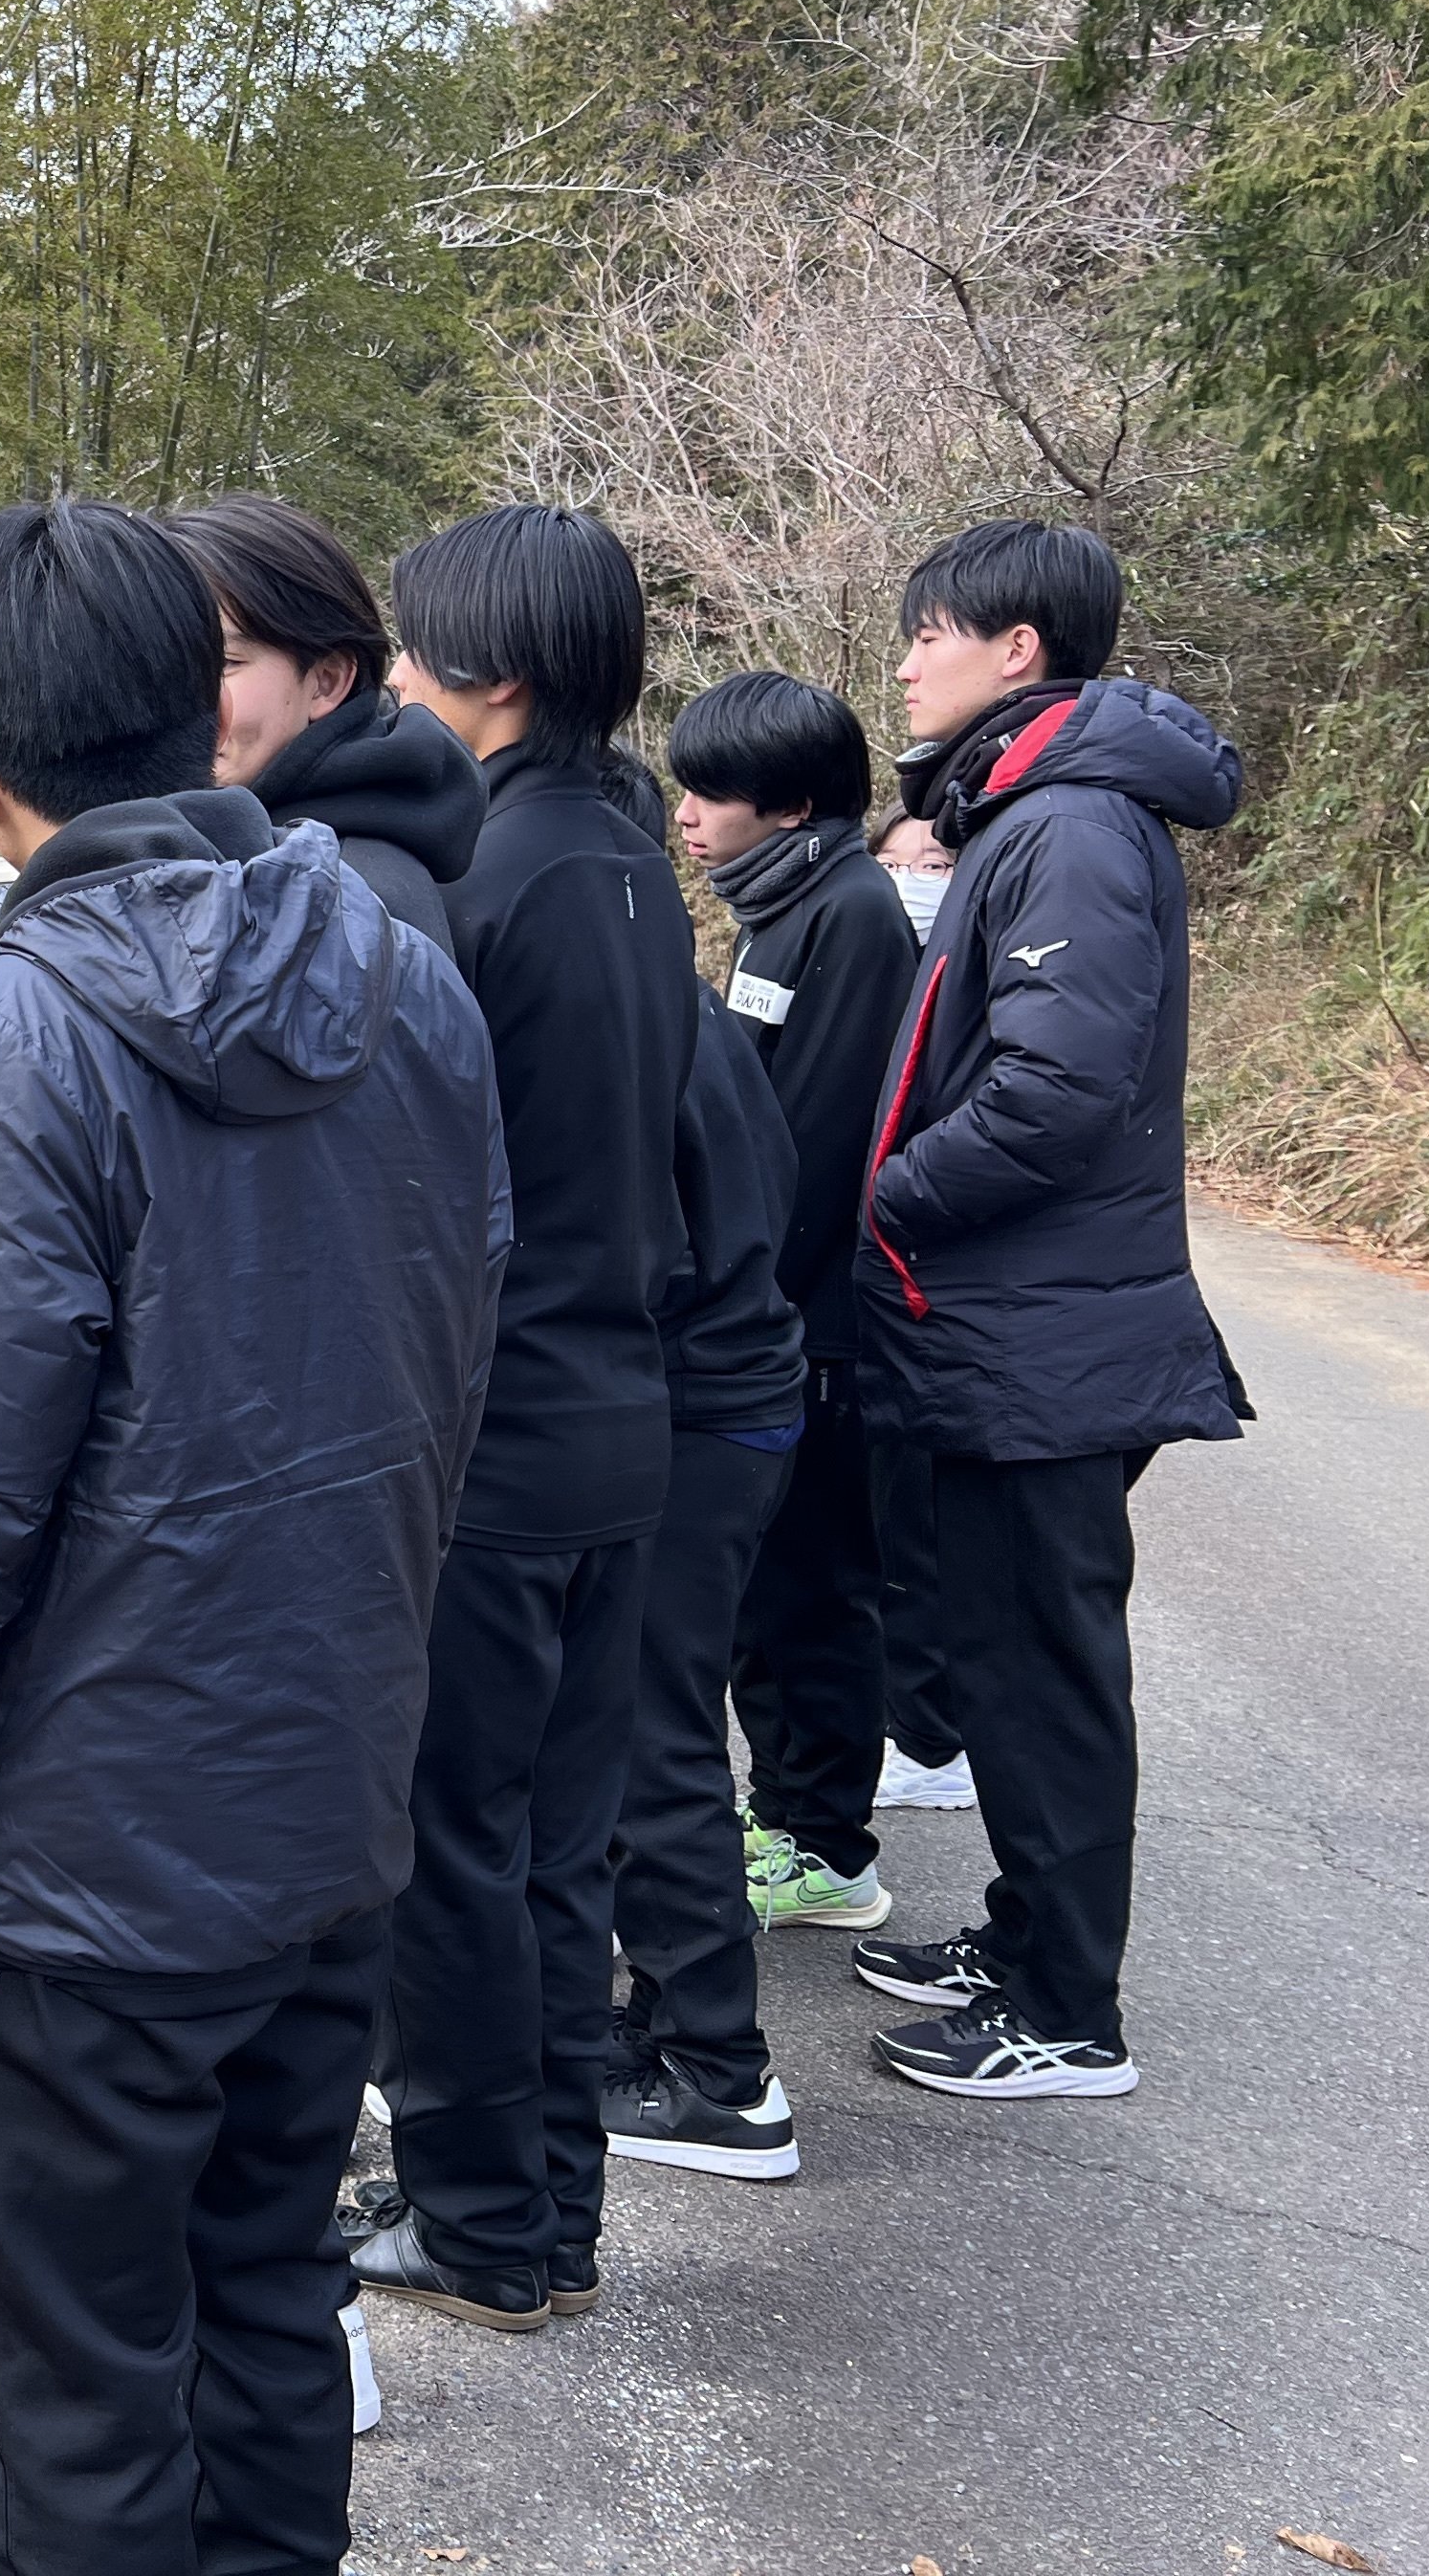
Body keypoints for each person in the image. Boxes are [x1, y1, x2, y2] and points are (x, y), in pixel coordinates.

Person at [0, 497, 506, 2576]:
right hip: (330, 1828)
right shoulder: (413, 988)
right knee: (269, 2308)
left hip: (89, 1901)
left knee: (76, 2408)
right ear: (206, 711)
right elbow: (450, 1377)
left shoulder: (20, 1033)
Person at [349, 507, 695, 2335]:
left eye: (413, 648)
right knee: (558, 1845)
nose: (395, 675)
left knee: (449, 1844)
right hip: (617, 1422)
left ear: (491, 670)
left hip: (493, 1438)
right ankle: (549, 2207)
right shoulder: (632, 862)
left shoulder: (482, 881)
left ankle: (481, 2217)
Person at [846, 519, 1246, 2100]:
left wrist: (882, 1197)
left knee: (1044, 1669)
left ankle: (1065, 2008)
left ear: (1016, 648)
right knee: (1013, 1656)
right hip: (1022, 1323)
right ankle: (1023, 1938)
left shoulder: (1068, 821)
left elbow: (1056, 1091)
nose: (904, 659)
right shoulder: (1030, 807)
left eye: (928, 630)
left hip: (1041, 1331)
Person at [661, 673, 927, 1934]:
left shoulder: (852, 915)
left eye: (713, 790)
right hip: (781, 1321)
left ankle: (825, 1842)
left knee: (816, 1591)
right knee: (771, 1593)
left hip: (820, 1331)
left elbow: (813, 1149)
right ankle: (799, 1825)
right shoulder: (789, 906)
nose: (688, 814)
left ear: (796, 803)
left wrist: (744, 1304)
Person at [586, 752, 813, 2183]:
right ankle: (665, 2018)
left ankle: (723, 2074)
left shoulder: (638, 1032)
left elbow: (648, 1261)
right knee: (648, 1731)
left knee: (654, 1740)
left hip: (699, 1418)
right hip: (739, 1405)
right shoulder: (686, 1013)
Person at [156, 493, 485, 944]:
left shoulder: (352, 903)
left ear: (326, 681)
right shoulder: (225, 851)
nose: (182, 699)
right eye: (160, 664)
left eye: (225, 663)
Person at [868, 810, 977, 1813]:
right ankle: (919, 1726)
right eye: (894, 860)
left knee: (924, 1528)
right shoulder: (862, 962)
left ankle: (935, 1739)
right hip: (883, 1293)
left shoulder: (970, 981)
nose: (912, 877)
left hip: (938, 1292)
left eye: (935, 861)